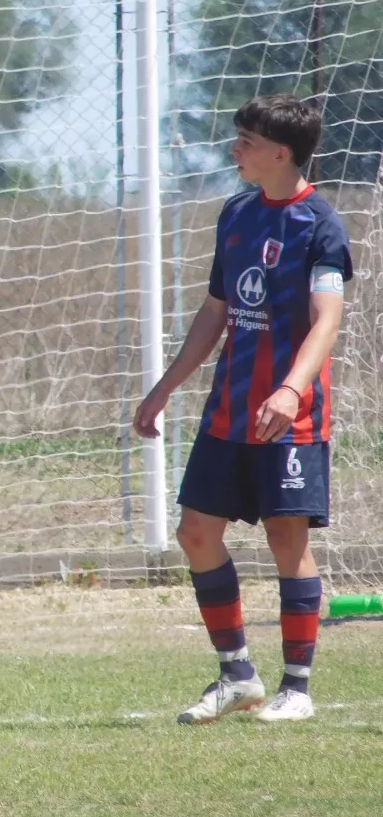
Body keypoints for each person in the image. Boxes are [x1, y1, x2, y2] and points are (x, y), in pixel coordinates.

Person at [133, 94, 351, 724]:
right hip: (229, 410)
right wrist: (165, 387)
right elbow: (214, 312)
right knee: (195, 533)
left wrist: (290, 390)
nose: (235, 149)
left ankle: (298, 690)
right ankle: (237, 675)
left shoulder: (321, 225)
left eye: (246, 140)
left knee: (288, 540)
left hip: (293, 418)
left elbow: (326, 322)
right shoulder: (235, 213)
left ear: (280, 152)